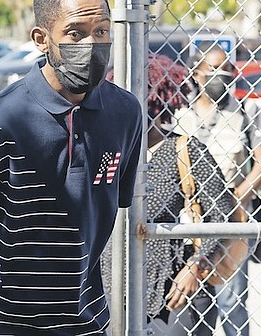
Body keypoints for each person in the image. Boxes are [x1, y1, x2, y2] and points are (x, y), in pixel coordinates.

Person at [0, 0, 143, 335]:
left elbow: (109, 206)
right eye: (75, 33)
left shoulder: (125, 113)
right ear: (41, 39)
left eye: (102, 31)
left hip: (85, 321)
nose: (92, 44)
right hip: (1, 324)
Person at [101, 54, 234, 336]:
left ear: (157, 104)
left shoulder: (184, 151)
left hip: (173, 286)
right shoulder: (110, 153)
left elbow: (222, 213)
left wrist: (196, 266)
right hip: (111, 286)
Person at [173, 42, 261, 336]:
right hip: (188, 217)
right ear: (197, 72)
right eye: (213, 69)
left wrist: (236, 198)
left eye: (227, 69)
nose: (221, 76)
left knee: (231, 299)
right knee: (192, 300)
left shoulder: (246, 110)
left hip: (232, 217)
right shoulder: (178, 111)